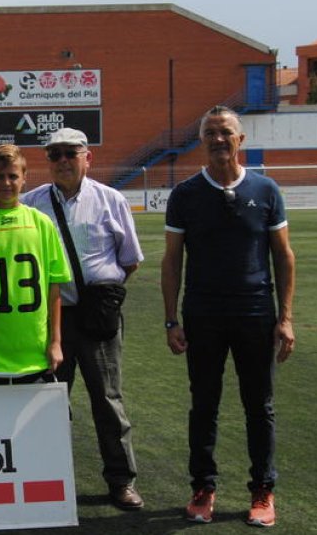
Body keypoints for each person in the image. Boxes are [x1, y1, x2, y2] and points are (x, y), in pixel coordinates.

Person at [161, 105, 296, 527]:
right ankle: (203, 488)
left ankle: (262, 490)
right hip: (202, 312)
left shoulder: (267, 189)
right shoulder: (185, 194)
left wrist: (285, 317)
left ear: (241, 140)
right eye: (211, 134)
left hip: (256, 310)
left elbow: (283, 256)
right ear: (202, 142)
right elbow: (171, 261)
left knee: (260, 406)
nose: (219, 140)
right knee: (204, 404)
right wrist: (171, 319)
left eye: (226, 132)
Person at [21, 128, 145, 511]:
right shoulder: (31, 204)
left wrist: (101, 297)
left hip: (97, 319)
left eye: (69, 153)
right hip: (49, 319)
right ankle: (47, 478)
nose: (61, 161)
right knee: (49, 402)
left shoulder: (110, 200)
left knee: (108, 401)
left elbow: (130, 259)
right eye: (54, 154)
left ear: (86, 157)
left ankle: (121, 480)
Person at [0, 144, 70, 385]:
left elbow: (54, 287)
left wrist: (55, 342)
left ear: (24, 178)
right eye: (0, 176)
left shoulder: (41, 223)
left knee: (38, 423)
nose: (6, 183)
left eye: (13, 176)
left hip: (35, 352)